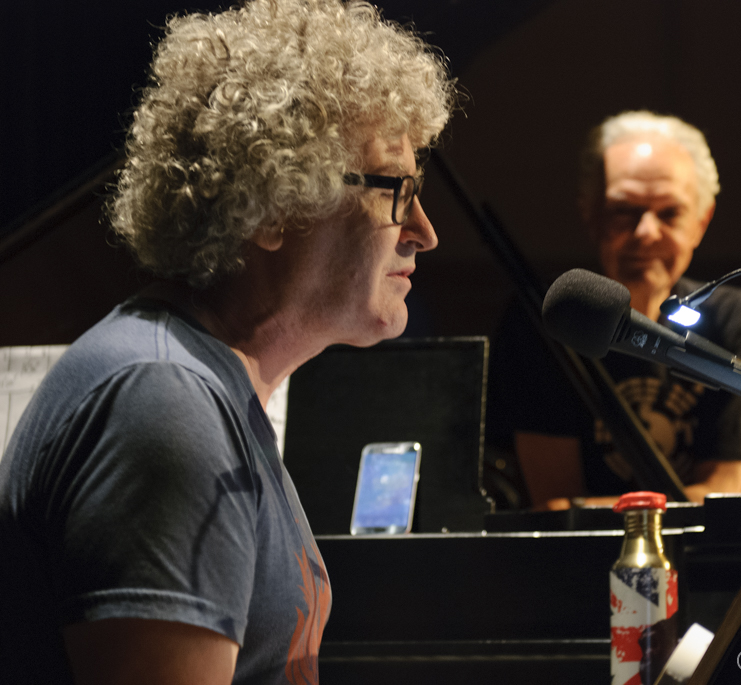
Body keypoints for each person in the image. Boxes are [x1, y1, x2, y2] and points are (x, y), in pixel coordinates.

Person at [0, 1, 454, 683]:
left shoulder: (204, 390)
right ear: (275, 204)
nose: (423, 229)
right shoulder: (160, 401)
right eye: (396, 189)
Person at [487, 111, 741, 508]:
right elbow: (556, 509)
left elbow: (722, 496)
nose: (646, 232)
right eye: (624, 210)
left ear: (701, 222)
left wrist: (599, 508)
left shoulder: (736, 319)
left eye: (669, 213)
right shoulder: (547, 319)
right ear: (591, 215)